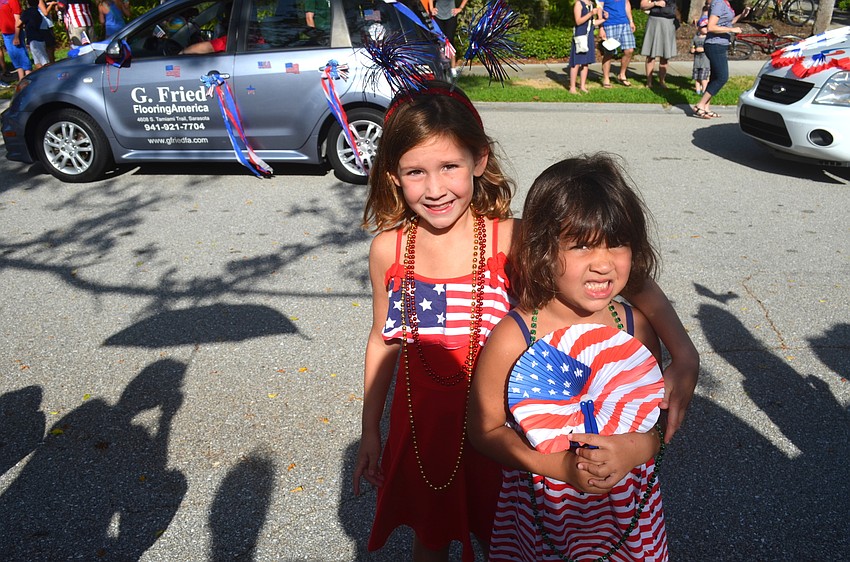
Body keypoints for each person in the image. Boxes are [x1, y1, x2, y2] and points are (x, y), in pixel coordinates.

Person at [353, 84, 699, 561]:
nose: (435, 189)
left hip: (512, 429)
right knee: (429, 536)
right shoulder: (388, 249)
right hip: (424, 427)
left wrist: (685, 353)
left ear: (479, 159)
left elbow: (630, 281)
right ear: (393, 176)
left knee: (512, 535)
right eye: (416, 172)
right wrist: (371, 428)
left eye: (449, 166)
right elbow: (382, 338)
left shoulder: (511, 237)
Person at [469, 153, 679, 560]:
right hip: (541, 516)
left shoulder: (635, 328)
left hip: (627, 518)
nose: (602, 263)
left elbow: (652, 418)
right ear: (543, 249)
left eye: (616, 244)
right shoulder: (514, 337)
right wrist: (558, 469)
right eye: (581, 246)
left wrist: (635, 450)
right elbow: (484, 431)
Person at [693, 0, 747, 118]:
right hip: (714, 45)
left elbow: (727, 22)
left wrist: (741, 15)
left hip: (720, 45)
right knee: (722, 77)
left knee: (715, 77)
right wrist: (732, 30)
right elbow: (711, 27)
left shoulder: (725, 3)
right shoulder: (718, 3)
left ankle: (706, 108)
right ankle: (700, 105)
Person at [568, 0, 605, 94]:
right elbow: (578, 21)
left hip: (589, 35)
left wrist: (604, 19)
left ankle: (582, 86)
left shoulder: (591, 5)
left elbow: (592, 22)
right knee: (576, 61)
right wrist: (591, 13)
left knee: (585, 62)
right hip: (580, 35)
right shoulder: (579, 4)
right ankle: (572, 87)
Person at [639, 0, 677, 89]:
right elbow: (643, 6)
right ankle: (649, 82)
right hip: (654, 22)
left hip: (669, 22)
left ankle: (662, 81)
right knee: (651, 55)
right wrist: (655, 3)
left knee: (665, 55)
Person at [598, 0, 635, 87]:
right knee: (609, 52)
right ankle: (606, 78)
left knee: (629, 50)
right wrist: (601, 27)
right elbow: (600, 8)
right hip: (609, 24)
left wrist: (631, 21)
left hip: (624, 23)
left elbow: (626, 3)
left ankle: (622, 75)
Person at [431, 0, 467, 75]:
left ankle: (453, 67)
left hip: (451, 16)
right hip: (438, 16)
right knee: (439, 41)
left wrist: (460, 8)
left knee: (450, 40)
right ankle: (439, 67)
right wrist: (431, 8)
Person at [0, 0, 33, 81]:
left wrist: (16, 36)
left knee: (22, 55)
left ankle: (29, 77)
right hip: (6, 33)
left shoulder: (13, 1)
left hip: (14, 33)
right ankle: (21, 79)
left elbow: (18, 19)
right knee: (14, 57)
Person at [19, 0, 55, 69]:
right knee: (49, 50)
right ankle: (51, 68)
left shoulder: (31, 9)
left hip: (40, 28)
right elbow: (45, 12)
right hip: (45, 27)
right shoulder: (39, 1)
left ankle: (48, 68)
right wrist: (52, 4)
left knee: (39, 56)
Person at [691, 16, 710, 95]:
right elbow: (692, 46)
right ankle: (697, 91)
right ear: (699, 28)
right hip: (697, 62)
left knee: (703, 78)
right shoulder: (696, 38)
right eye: (704, 27)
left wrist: (702, 49)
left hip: (705, 63)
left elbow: (709, 48)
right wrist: (693, 49)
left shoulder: (708, 38)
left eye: (707, 26)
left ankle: (704, 91)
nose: (706, 28)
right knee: (697, 78)